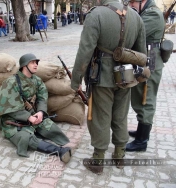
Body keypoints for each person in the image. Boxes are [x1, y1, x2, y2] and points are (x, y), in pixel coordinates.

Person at [70, 0, 146, 175]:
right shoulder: (136, 16)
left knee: (100, 117)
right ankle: (119, 156)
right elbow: (141, 54)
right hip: (126, 75)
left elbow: (85, 50)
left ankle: (98, 160)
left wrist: (75, 81)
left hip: (102, 76)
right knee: (120, 115)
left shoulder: (96, 14)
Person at [0, 53, 72, 163]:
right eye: (32, 62)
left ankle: (63, 143)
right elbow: (5, 106)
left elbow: (42, 97)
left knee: (50, 127)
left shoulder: (36, 80)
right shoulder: (11, 82)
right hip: (11, 119)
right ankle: (59, 151)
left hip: (31, 113)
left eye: (36, 62)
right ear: (24, 65)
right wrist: (28, 118)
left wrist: (40, 112)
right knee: (25, 138)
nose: (36, 65)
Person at [126, 0, 165, 152]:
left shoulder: (153, 14)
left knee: (146, 99)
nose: (131, 6)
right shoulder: (146, 12)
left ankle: (142, 140)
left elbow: (135, 32)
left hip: (151, 62)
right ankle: (140, 130)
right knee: (138, 97)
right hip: (144, 61)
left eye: (133, 3)